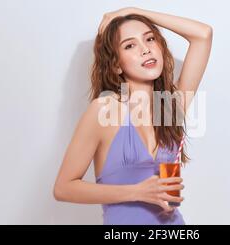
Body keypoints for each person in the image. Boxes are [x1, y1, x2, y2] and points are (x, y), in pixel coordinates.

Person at [53, 7, 212, 225]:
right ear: (116, 65)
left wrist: (133, 10)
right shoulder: (104, 110)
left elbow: (203, 35)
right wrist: (137, 192)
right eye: (130, 45)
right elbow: (64, 188)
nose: (145, 50)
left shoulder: (170, 106)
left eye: (150, 39)